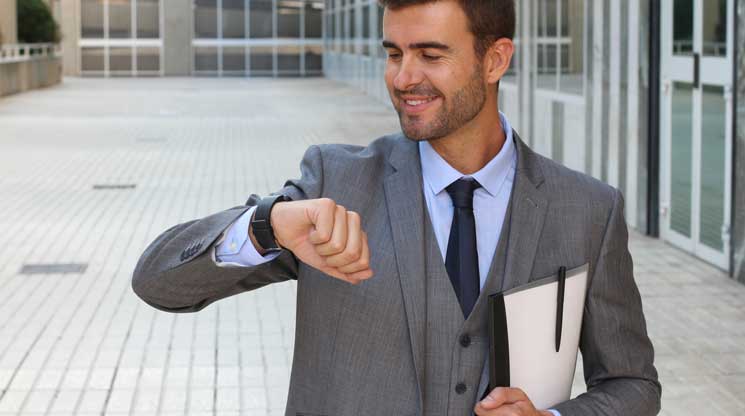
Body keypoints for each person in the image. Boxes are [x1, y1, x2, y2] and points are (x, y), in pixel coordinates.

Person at [131, 0, 661, 415]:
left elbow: (632, 384)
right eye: (393, 53)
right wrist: (268, 225)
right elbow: (158, 282)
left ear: (496, 59)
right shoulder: (334, 183)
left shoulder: (589, 209)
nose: (404, 77)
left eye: (431, 55)